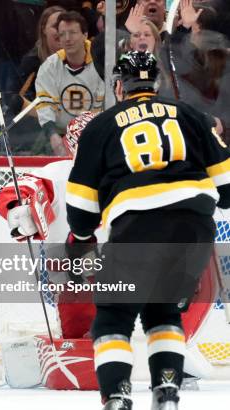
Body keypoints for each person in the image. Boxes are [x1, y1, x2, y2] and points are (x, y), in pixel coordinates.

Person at [0, 110, 220, 391]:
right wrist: (18, 208)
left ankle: (177, 348)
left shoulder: (132, 174)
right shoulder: (59, 173)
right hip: (75, 275)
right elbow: (22, 189)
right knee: (85, 339)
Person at [66, 51, 230, 409]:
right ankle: (167, 393)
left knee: (114, 313)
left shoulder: (102, 125)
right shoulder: (192, 117)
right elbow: (228, 189)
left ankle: (118, 396)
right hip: (195, 225)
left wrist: (80, 240)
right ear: (155, 84)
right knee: (163, 310)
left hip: (137, 225)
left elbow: (80, 209)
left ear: (120, 87)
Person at [35, 10, 105, 156]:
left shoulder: (102, 62)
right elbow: (45, 107)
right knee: (39, 152)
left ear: (85, 35)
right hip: (60, 134)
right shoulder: (49, 67)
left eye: (72, 32)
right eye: (62, 34)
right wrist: (54, 138)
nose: (67, 39)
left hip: (98, 134)